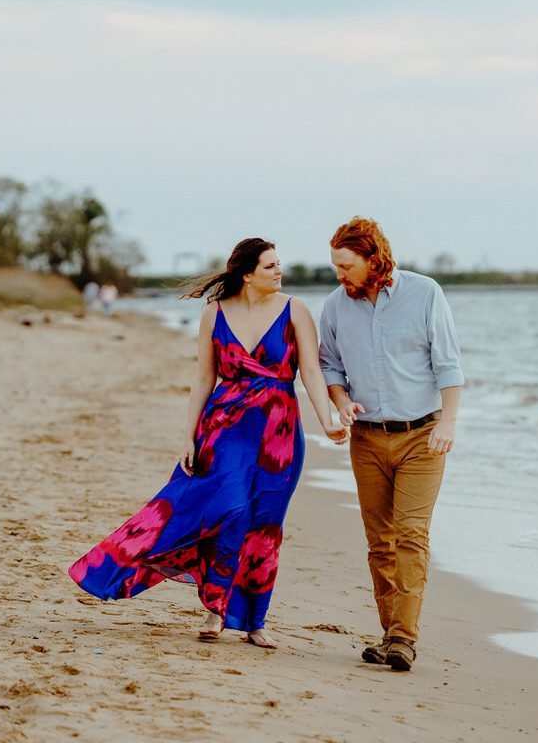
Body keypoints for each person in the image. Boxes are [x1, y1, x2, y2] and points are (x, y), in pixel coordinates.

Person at [69, 238, 348, 648]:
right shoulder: (214, 313)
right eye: (269, 266)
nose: (278, 271)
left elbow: (309, 369)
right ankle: (216, 609)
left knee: (265, 525)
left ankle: (255, 622)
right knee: (229, 512)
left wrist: (326, 421)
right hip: (224, 428)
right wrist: (188, 436)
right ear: (247, 274)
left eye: (278, 264)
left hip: (278, 434)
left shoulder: (295, 310)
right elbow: (204, 377)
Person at [318, 217, 464, 671]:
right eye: (335, 266)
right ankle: (390, 634)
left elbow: (448, 364)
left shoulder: (425, 293)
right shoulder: (335, 307)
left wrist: (449, 423)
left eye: (346, 265)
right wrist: (341, 404)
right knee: (379, 542)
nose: (339, 275)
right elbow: (330, 368)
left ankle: (403, 638)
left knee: (411, 537)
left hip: (422, 436)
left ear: (373, 259)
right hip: (366, 439)